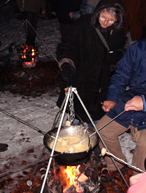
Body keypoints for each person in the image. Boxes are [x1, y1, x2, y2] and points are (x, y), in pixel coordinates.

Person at [56, 0, 126, 123]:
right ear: (98, 12)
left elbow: (120, 55)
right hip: (81, 78)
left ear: (117, 20)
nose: (105, 22)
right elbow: (67, 46)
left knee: (96, 120)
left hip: (102, 84)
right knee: (76, 116)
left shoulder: (118, 33)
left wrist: (115, 58)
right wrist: (67, 64)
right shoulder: (83, 24)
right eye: (103, 16)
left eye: (110, 20)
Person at [96, 39, 146, 178]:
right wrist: (113, 98)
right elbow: (121, 75)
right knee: (103, 130)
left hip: (143, 103)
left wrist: (144, 102)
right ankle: (117, 165)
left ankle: (138, 180)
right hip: (132, 98)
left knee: (144, 146)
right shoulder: (139, 48)